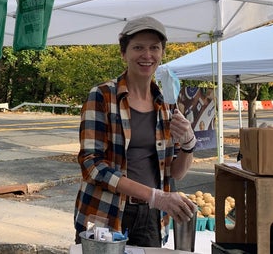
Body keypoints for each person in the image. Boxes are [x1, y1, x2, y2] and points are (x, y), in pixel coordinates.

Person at [73, 16, 198, 247]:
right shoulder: (102, 96)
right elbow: (92, 166)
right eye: (138, 47)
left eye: (154, 48)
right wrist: (154, 195)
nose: (147, 55)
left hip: (152, 216)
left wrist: (189, 144)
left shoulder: (167, 104)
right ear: (124, 53)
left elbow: (176, 173)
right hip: (105, 211)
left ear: (162, 53)